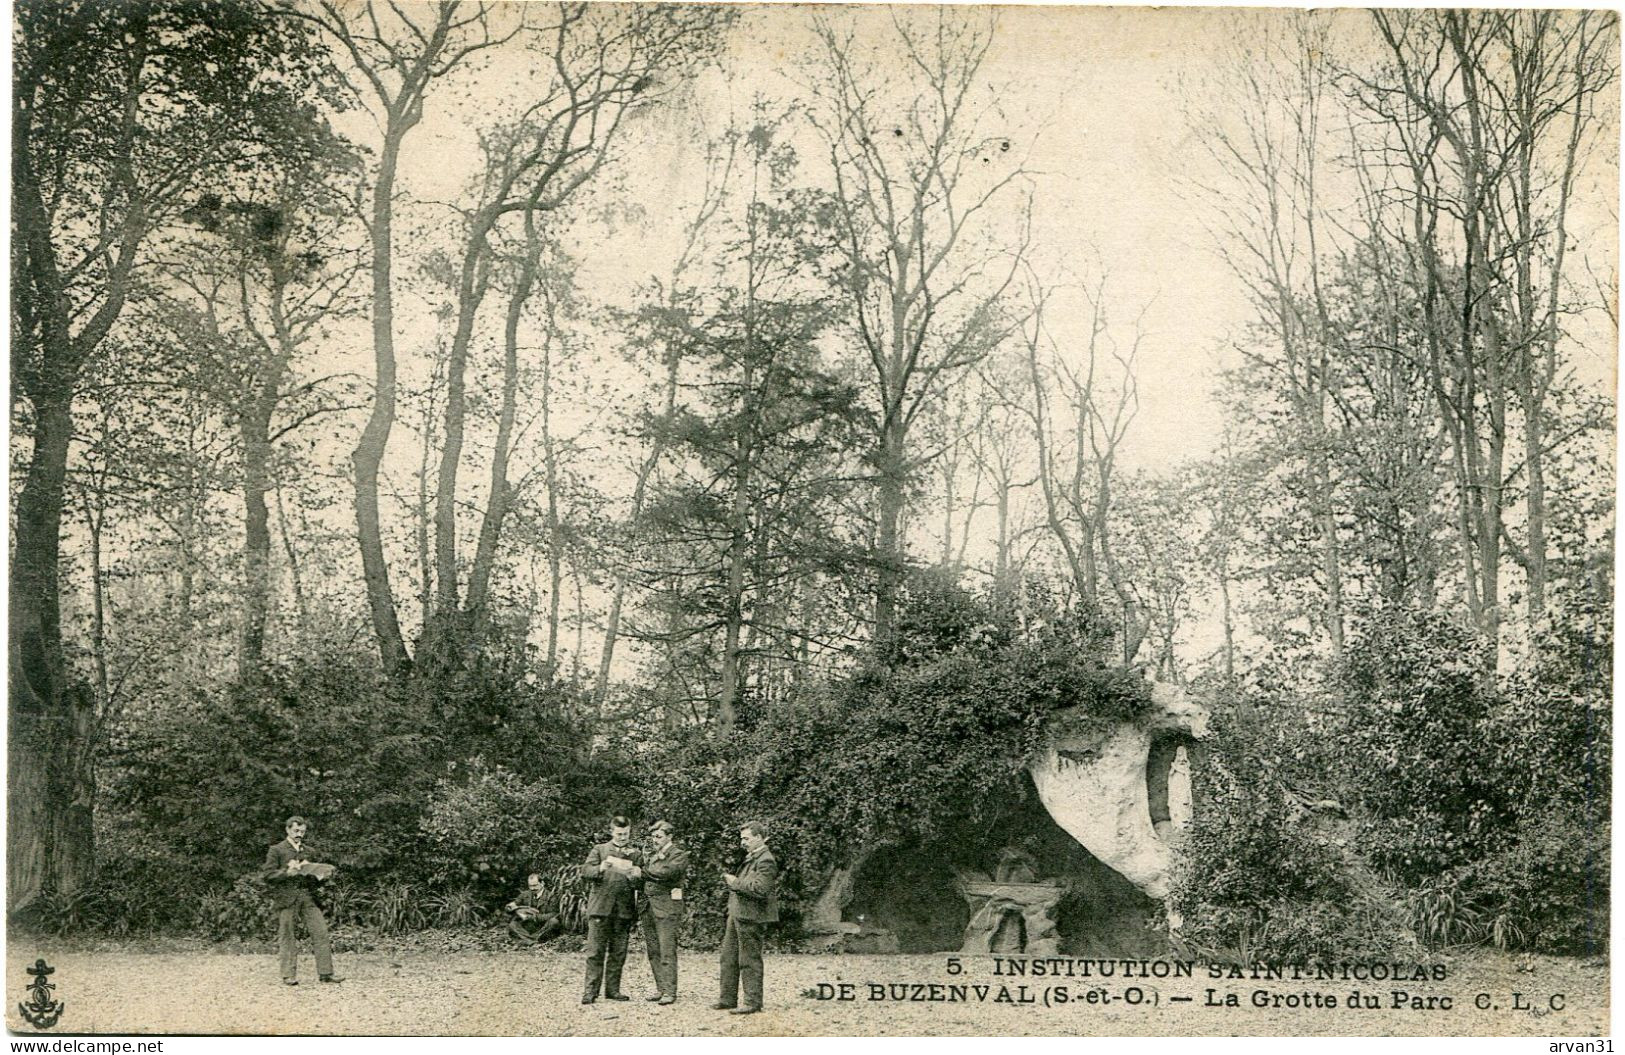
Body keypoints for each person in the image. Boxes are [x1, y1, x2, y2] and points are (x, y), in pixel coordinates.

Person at [262, 815, 343, 986]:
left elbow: (311, 876)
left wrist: (320, 875)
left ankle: (326, 973)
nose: (299, 834)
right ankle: (288, 975)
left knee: (321, 932)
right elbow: (268, 876)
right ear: (288, 830)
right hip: (287, 899)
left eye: (302, 831)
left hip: (307, 897)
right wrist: (286, 873)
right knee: (287, 936)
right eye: (296, 831)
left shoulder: (309, 851)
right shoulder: (276, 850)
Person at [714, 819, 777, 1015]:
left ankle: (752, 1002)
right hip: (738, 913)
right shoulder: (753, 857)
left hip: (752, 916)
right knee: (728, 958)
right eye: (742, 838)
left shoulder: (766, 860)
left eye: (746, 838)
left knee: (749, 959)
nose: (743, 842)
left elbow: (760, 889)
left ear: (759, 837)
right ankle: (727, 999)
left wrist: (735, 883)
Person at [580, 815, 643, 1004]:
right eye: (619, 833)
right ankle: (590, 991)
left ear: (630, 832)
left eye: (625, 834)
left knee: (618, 952)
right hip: (600, 908)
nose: (622, 837)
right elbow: (585, 872)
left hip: (623, 910)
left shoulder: (635, 854)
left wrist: (636, 877)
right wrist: (600, 867)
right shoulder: (599, 850)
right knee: (595, 952)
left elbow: (640, 883)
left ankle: (613, 990)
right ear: (612, 832)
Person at [637, 820, 690, 1005]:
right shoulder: (653, 855)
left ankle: (670, 991)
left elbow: (666, 874)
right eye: (652, 836)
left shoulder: (678, 855)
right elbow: (648, 876)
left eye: (658, 836)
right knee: (653, 950)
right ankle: (661, 988)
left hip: (667, 907)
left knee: (666, 949)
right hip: (648, 907)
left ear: (670, 836)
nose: (654, 840)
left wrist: (641, 873)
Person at [506, 873, 563, 945]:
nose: (532, 888)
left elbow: (554, 914)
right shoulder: (525, 894)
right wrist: (510, 907)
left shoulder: (551, 896)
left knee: (554, 922)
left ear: (542, 883)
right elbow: (513, 905)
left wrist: (533, 917)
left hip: (544, 927)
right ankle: (533, 940)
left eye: (535, 885)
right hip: (529, 926)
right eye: (530, 886)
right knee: (512, 924)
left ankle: (528, 939)